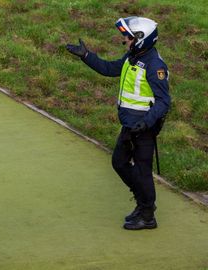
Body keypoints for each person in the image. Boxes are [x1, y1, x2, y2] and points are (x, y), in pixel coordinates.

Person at [66, 17, 171, 230]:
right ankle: (143, 203)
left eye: (128, 37)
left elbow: (164, 102)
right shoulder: (132, 57)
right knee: (119, 162)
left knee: (142, 170)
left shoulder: (154, 65)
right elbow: (108, 68)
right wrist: (86, 56)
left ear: (141, 39)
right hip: (130, 125)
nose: (124, 40)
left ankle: (147, 215)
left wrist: (146, 123)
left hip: (144, 128)